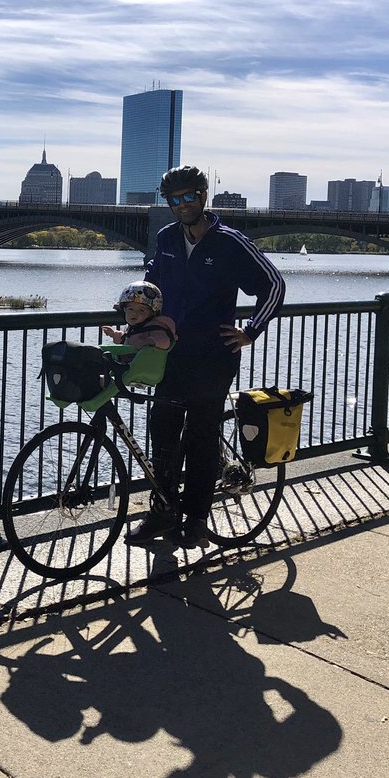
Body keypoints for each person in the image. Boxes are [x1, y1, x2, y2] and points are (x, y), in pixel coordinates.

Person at [126, 165, 285, 548]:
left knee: (199, 436)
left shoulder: (230, 242)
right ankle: (162, 511)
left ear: (203, 196)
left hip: (214, 356)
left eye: (188, 197)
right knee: (162, 432)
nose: (181, 205)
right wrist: (131, 319)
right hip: (171, 354)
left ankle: (196, 518)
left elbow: (274, 285)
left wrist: (250, 331)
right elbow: (150, 288)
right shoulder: (165, 238)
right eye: (174, 199)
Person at [102, 281, 177, 360]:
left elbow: (164, 341)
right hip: (132, 368)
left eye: (141, 310)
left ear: (151, 313)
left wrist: (149, 341)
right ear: (124, 310)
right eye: (130, 309)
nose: (134, 313)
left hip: (145, 369)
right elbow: (125, 340)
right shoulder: (132, 328)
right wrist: (114, 334)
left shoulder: (154, 328)